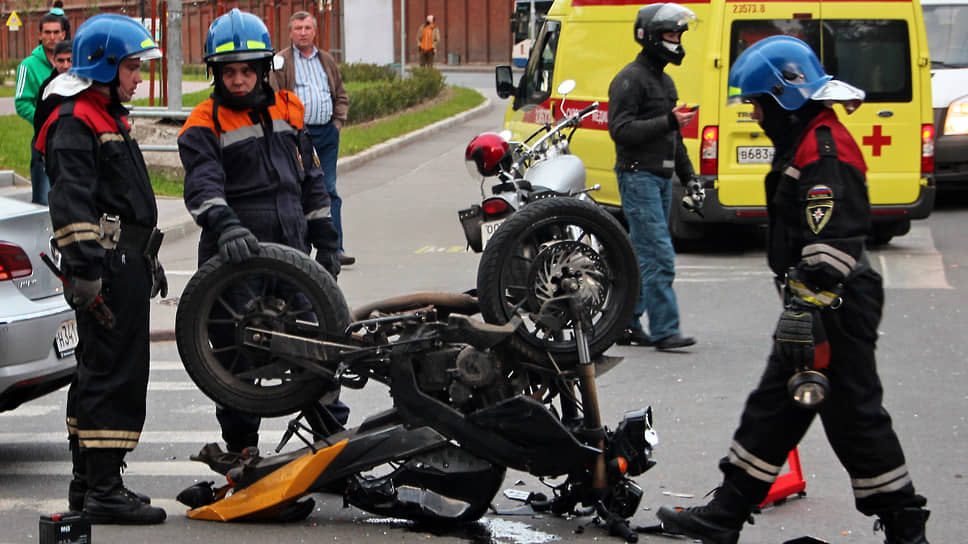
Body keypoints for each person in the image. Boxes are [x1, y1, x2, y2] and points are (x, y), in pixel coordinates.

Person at [656, 36, 930, 544]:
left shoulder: (823, 151)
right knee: (777, 410)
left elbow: (834, 243)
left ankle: (905, 525)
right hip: (819, 304)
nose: (756, 115)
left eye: (759, 104)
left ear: (785, 98)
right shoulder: (809, 140)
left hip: (834, 304)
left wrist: (805, 310)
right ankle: (727, 514)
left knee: (854, 418)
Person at [179, 9, 343, 454]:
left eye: (246, 70)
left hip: (291, 253)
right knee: (237, 356)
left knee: (317, 343)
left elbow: (311, 179)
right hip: (234, 256)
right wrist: (225, 225)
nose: (237, 80)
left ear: (262, 69)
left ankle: (333, 444)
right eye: (228, 72)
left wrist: (326, 238)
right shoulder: (202, 121)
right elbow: (202, 184)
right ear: (216, 73)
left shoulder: (289, 108)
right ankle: (242, 450)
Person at [36, 14, 168, 524]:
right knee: (113, 375)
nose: (138, 77)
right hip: (106, 269)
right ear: (106, 66)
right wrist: (89, 272)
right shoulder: (76, 120)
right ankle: (104, 491)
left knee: (102, 370)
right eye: (132, 67)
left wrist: (145, 257)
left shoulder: (101, 112)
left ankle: (88, 483)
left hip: (121, 262)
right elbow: (71, 204)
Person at [607, 3, 700, 350]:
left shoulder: (665, 81)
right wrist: (669, 121)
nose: (676, 41)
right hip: (638, 177)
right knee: (659, 254)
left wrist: (689, 178)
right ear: (648, 37)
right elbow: (621, 130)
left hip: (659, 179)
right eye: (670, 35)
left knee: (643, 256)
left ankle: (626, 323)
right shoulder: (630, 79)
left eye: (678, 35)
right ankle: (665, 330)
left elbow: (672, 139)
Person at [270, 11, 355, 267]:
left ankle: (334, 248)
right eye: (298, 28)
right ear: (290, 32)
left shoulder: (326, 60)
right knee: (297, 188)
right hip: (297, 137)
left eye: (307, 27)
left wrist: (338, 123)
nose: (303, 32)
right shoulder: (281, 61)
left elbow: (340, 93)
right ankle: (300, 248)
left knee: (328, 189)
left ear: (315, 31)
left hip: (327, 134)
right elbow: (275, 96)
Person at [15, 12, 66, 205]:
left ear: (63, 34)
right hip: (44, 141)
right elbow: (21, 103)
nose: (52, 37)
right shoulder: (28, 66)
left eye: (56, 32)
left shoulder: (73, 62)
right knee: (43, 201)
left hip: (72, 137)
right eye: (47, 32)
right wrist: (45, 121)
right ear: (40, 35)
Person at [33, 39, 71, 144]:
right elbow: (39, 123)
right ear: (54, 61)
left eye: (70, 60)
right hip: (53, 142)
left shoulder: (88, 85)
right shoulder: (47, 87)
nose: (66, 66)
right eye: (61, 61)